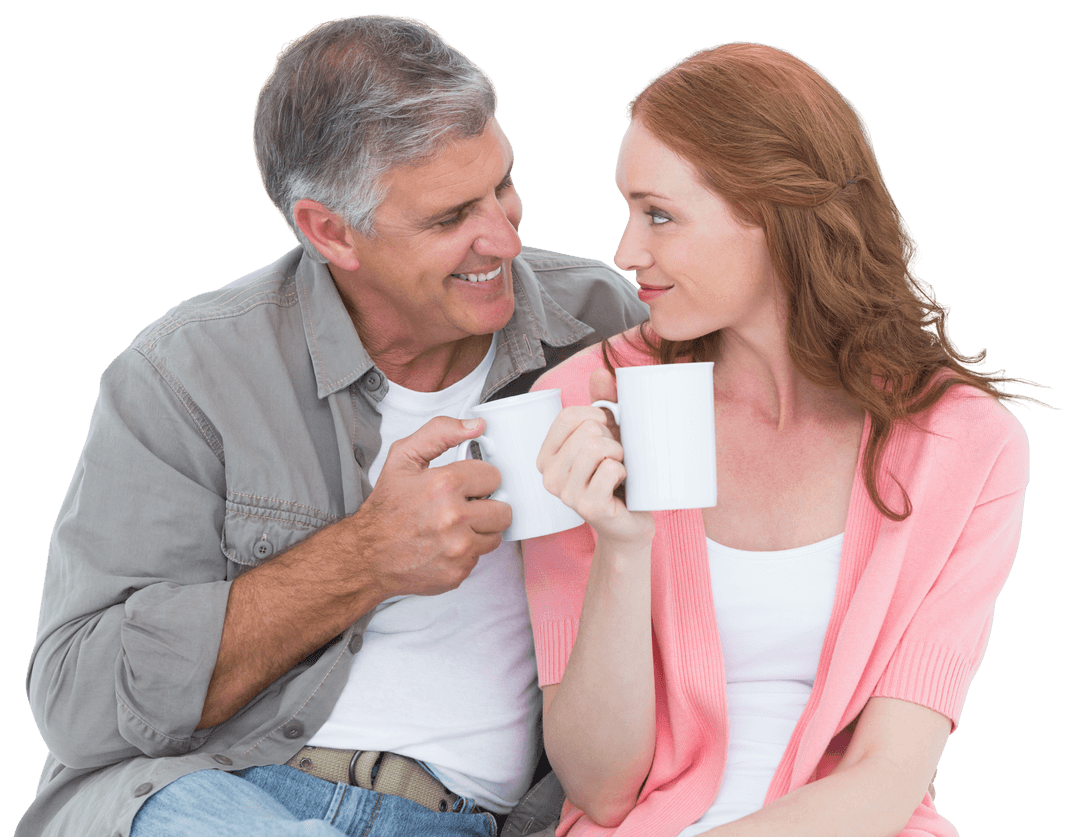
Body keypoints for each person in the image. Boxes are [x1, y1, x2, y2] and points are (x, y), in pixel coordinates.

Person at [19, 15, 646, 837]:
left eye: (502, 184)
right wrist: (365, 558)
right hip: (220, 795)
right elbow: (77, 698)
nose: (505, 235)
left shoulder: (598, 324)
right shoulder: (188, 374)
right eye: (451, 215)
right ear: (329, 230)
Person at [523, 42, 1051, 837]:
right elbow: (600, 787)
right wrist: (622, 546)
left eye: (659, 214)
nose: (627, 252)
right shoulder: (581, 407)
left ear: (771, 215)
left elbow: (888, 777)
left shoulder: (967, 447)